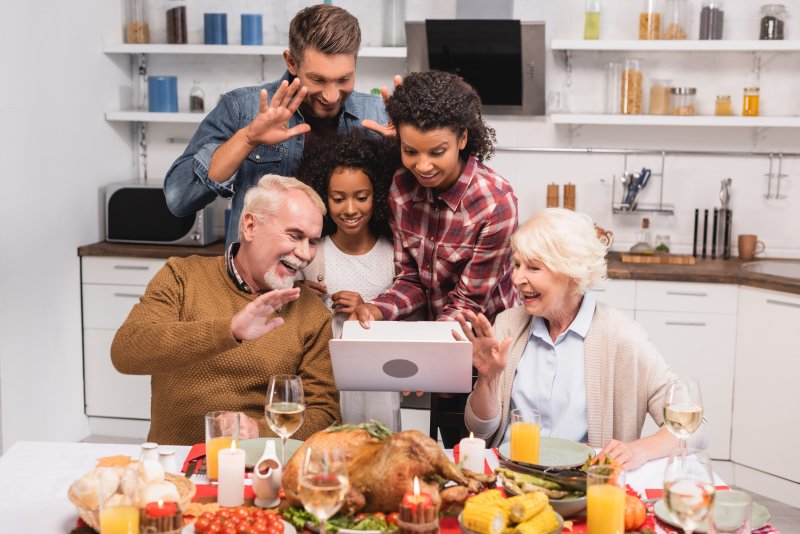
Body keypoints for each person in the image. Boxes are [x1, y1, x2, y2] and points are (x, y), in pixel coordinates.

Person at [459, 208, 708, 470]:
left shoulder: (622, 337)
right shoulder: (508, 325)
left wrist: (637, 451)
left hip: (585, 483)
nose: (518, 279)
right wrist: (487, 379)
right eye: (517, 265)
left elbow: (696, 429)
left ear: (572, 273)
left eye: (533, 267)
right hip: (513, 475)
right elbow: (480, 428)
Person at [349, 70, 520, 446]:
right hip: (435, 344)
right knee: (429, 460)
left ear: (462, 139)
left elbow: (468, 304)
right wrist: (378, 310)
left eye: (436, 152)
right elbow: (410, 280)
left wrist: (422, 358)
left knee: (477, 461)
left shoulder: (495, 204)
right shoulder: (400, 188)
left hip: (484, 355)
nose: (422, 166)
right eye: (410, 151)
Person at [111, 175, 341, 445]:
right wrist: (229, 330)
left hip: (259, 468)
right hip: (177, 464)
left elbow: (325, 414)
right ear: (250, 226)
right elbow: (127, 351)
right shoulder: (182, 276)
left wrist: (258, 432)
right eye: (295, 235)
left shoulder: (311, 314)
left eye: (312, 241)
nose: (305, 253)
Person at [163, 4, 390, 247]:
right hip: (262, 282)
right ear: (291, 62)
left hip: (346, 278)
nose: (332, 95)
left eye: (344, 79)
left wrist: (404, 152)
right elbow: (179, 199)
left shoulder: (377, 114)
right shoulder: (242, 108)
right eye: (318, 79)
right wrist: (248, 139)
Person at [297, 130, 402, 430]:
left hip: (379, 389)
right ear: (323, 197)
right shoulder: (313, 255)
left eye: (361, 197)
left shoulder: (393, 254)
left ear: (377, 195)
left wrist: (367, 308)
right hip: (323, 388)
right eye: (338, 198)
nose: (350, 209)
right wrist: (300, 298)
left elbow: (407, 320)